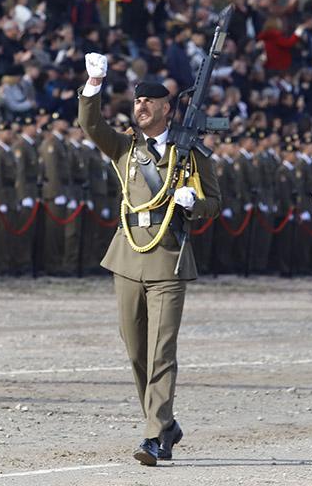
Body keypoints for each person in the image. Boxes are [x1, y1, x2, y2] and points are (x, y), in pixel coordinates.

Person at [78, 52, 221, 466]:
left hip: (168, 258)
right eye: (137, 101)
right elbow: (90, 124)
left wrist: (194, 203)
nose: (139, 107)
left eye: (148, 102)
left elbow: (215, 202)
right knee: (135, 349)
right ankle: (165, 422)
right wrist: (93, 82)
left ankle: (155, 436)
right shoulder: (124, 146)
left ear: (165, 108)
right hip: (127, 255)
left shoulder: (191, 153)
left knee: (161, 350)